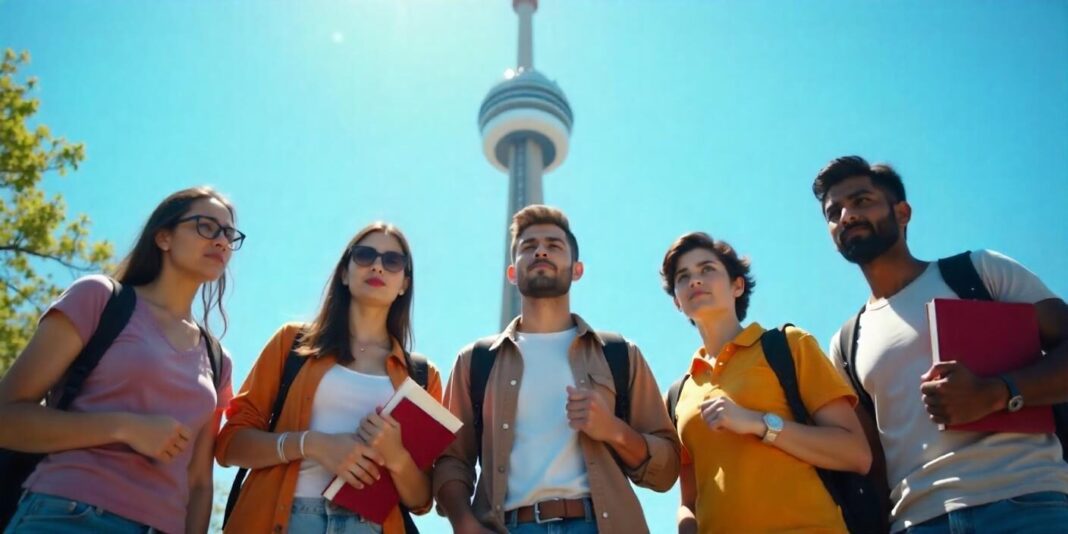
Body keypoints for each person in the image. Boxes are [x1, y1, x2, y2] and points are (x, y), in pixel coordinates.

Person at [814, 155, 1068, 532]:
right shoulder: (846, 343)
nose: (847, 215)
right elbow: (872, 461)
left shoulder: (979, 272)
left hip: (1026, 503)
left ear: (903, 213)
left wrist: (998, 393)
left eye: (862, 201)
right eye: (834, 212)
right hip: (916, 522)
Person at [0, 186, 240, 533]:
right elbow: (6, 417)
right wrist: (124, 427)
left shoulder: (219, 360)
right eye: (206, 226)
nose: (221, 241)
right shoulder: (98, 298)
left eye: (229, 234)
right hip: (66, 516)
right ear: (163, 238)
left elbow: (200, 481)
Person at [434, 205, 680, 534]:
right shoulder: (476, 361)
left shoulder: (619, 354)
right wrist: (465, 525)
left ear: (577, 270)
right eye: (528, 246)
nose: (540, 251)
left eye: (554, 245)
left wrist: (614, 430)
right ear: (512, 273)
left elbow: (666, 470)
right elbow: (451, 460)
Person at [217, 222, 442, 534]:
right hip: (284, 519)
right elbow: (230, 444)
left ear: (404, 283)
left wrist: (397, 457)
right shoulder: (291, 345)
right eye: (364, 255)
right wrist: (313, 444)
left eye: (393, 261)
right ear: (344, 274)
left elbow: (421, 500)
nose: (377, 265)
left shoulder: (421, 377)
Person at [661, 231, 870, 533]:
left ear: (737, 285)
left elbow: (857, 454)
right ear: (678, 303)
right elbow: (689, 501)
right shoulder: (679, 394)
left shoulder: (789, 346)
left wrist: (759, 423)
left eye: (707, 269)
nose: (695, 280)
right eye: (683, 276)